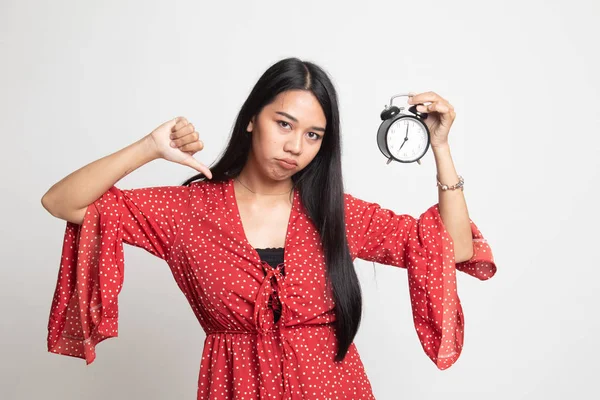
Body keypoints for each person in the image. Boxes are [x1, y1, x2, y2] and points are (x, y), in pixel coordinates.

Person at [41, 57, 497, 399]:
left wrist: (440, 146)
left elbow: (453, 248)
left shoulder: (335, 212)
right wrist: (149, 147)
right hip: (233, 386)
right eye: (284, 124)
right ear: (251, 119)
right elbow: (61, 201)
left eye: (313, 135)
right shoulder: (187, 210)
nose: (295, 146)